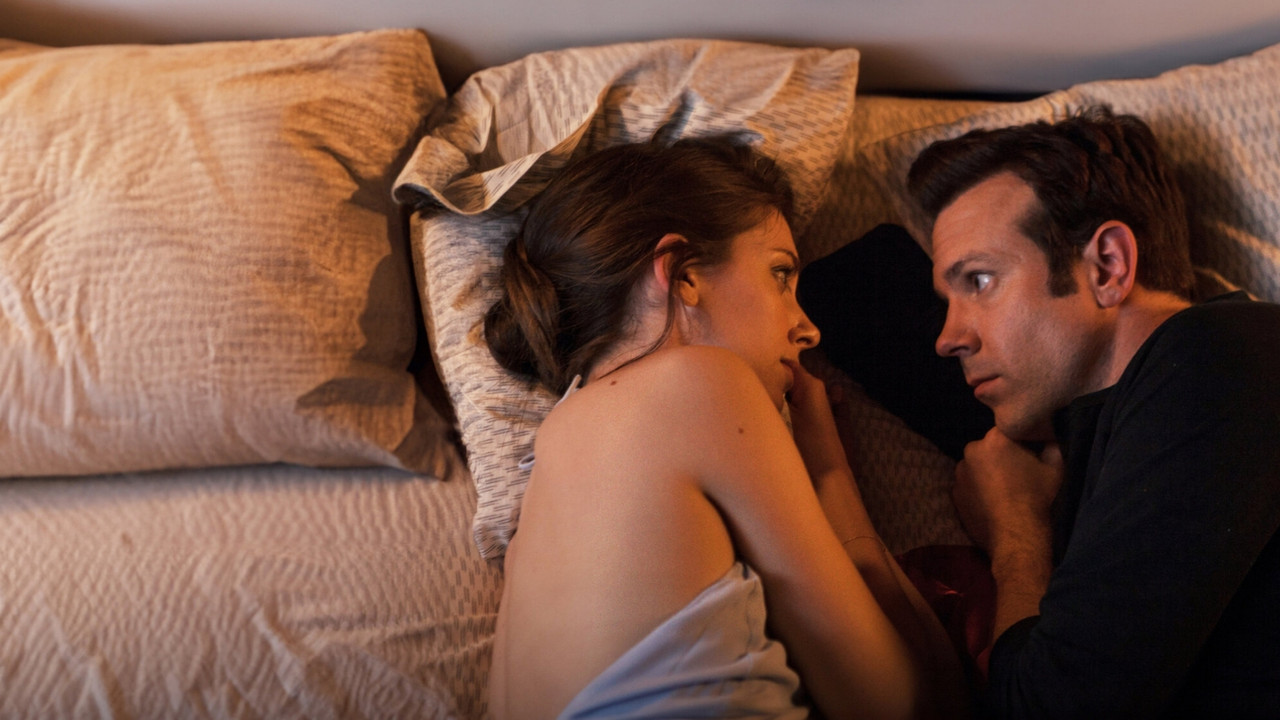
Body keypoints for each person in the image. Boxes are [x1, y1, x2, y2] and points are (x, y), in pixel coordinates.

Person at [484, 136, 967, 719]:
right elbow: (907, 704)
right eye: (781, 275)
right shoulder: (698, 384)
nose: (808, 328)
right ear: (682, 274)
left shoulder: (541, 487)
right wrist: (830, 469)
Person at [906, 106, 1280, 718]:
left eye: (978, 281)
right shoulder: (1095, 441)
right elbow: (851, 285)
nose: (948, 339)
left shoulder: (1225, 351)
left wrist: (1015, 532)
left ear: (1107, 266)